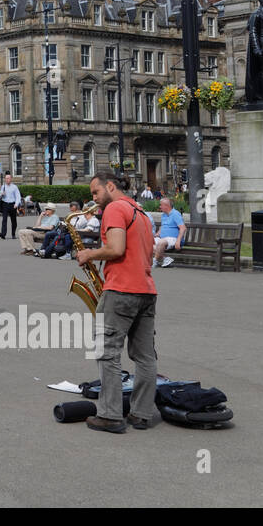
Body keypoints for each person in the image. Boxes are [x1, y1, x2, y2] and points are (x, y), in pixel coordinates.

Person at [76, 173, 157, 433]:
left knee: (106, 350)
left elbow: (116, 249)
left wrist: (89, 253)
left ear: (110, 186)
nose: (94, 199)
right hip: (146, 290)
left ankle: (110, 415)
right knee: (145, 356)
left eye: (96, 192)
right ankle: (141, 414)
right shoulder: (141, 212)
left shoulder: (114, 209)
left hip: (121, 290)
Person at [152, 197, 185, 268]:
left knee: (161, 242)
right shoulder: (163, 215)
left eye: (161, 205)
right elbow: (163, 226)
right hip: (164, 238)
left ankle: (155, 261)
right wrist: (157, 234)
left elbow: (183, 228)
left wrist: (178, 241)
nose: (160, 207)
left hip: (174, 239)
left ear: (167, 206)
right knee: (148, 242)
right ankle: (165, 258)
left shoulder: (175, 214)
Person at [0, 173, 22, 239]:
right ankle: (3, 234)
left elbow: (18, 196)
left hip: (12, 204)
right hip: (5, 204)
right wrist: (2, 194)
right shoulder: (3, 186)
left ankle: (13, 233)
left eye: (8, 178)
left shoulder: (14, 187)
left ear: (11, 179)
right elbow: (0, 195)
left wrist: (16, 204)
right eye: (6, 178)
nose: (7, 180)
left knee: (13, 221)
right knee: (4, 220)